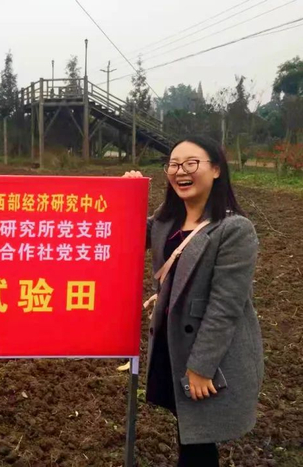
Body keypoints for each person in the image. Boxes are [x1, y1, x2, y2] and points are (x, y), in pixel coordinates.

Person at [124, 136, 264, 467]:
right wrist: (128, 196)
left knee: (198, 440)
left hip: (208, 353)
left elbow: (225, 308)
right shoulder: (166, 220)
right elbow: (129, 235)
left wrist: (201, 367)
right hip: (173, 343)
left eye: (191, 163)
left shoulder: (234, 230)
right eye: (173, 164)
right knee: (187, 428)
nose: (180, 171)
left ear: (216, 170)